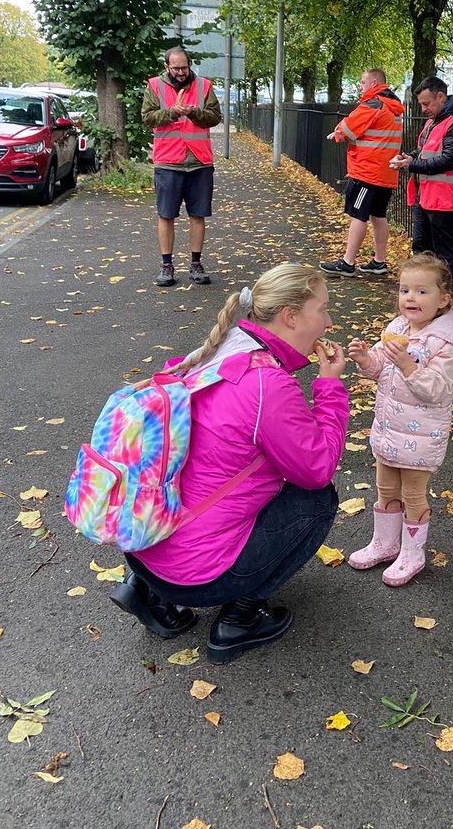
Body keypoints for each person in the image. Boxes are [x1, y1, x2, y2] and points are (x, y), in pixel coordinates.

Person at [109, 263, 349, 664]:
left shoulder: (224, 348)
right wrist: (329, 387)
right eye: (323, 310)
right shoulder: (266, 383)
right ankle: (241, 619)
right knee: (317, 499)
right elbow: (317, 467)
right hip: (196, 576)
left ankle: (146, 589)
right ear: (291, 316)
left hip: (143, 539)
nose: (328, 321)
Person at [346, 253, 453, 586]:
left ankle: (412, 553)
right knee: (385, 486)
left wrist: (408, 365)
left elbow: (438, 390)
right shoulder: (396, 328)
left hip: (422, 435)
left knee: (413, 495)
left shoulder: (445, 345)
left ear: (443, 299)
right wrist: (367, 358)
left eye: (422, 292)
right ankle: (385, 543)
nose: (411, 298)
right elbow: (380, 367)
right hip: (389, 428)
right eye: (405, 290)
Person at [142, 47, 222, 288]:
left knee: (198, 214)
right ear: (167, 67)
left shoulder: (204, 86)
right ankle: (166, 266)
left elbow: (215, 117)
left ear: (190, 65)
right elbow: (147, 118)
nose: (180, 72)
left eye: (184, 68)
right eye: (175, 68)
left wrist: (195, 112)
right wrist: (172, 112)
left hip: (199, 161)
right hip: (168, 160)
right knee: (166, 215)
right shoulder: (154, 86)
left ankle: (196, 264)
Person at [389, 77, 453, 283]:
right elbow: (423, 150)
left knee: (444, 254)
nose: (423, 109)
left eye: (426, 104)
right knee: (421, 248)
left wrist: (411, 164)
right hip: (426, 195)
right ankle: (422, 293)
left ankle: (447, 298)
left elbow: (448, 160)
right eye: (421, 104)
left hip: (444, 199)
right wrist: (408, 156)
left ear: (441, 97)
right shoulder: (432, 123)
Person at [320, 68, 404, 277]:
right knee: (378, 215)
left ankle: (348, 262)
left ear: (374, 82)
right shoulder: (393, 107)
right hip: (386, 171)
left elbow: (349, 127)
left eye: (363, 81)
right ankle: (379, 261)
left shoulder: (373, 104)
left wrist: (338, 133)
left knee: (359, 215)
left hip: (368, 171)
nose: (360, 85)